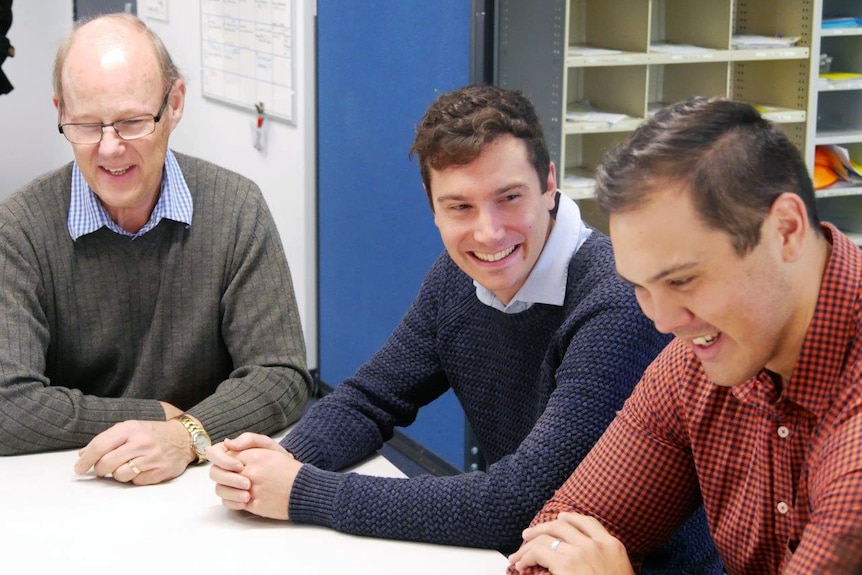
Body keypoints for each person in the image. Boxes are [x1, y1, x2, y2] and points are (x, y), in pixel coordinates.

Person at [207, 84, 720, 571]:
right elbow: (371, 398)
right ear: (432, 209)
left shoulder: (617, 302)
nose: (488, 231)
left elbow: (516, 502)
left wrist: (301, 492)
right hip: (516, 556)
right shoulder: (459, 277)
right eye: (460, 207)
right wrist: (272, 463)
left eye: (509, 197)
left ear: (549, 184)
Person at [508, 97, 862, 575]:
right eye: (641, 286)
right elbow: (559, 539)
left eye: (681, 281)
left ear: (786, 230)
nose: (663, 320)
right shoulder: (698, 358)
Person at [0, 14, 312, 485]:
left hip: (203, 485)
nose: (109, 149)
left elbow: (282, 374)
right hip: (74, 486)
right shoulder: (20, 228)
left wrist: (187, 436)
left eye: (131, 122)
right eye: (85, 125)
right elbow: (7, 404)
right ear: (60, 111)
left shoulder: (235, 208)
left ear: (176, 103)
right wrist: (154, 417)